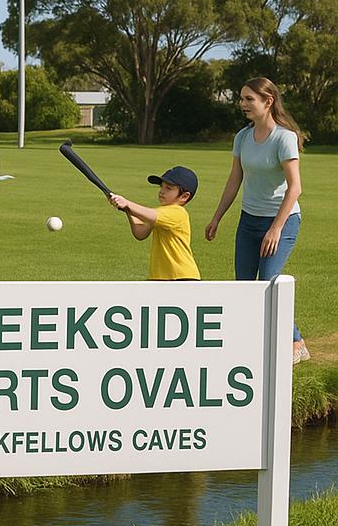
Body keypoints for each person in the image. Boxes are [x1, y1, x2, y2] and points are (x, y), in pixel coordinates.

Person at [204, 77, 308, 363]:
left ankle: (296, 341)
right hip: (248, 220)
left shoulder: (284, 138)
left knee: (270, 283)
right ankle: (252, 344)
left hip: (281, 221)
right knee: (245, 287)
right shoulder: (242, 137)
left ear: (268, 102)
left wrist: (275, 228)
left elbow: (295, 187)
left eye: (249, 99)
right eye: (241, 98)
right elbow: (235, 179)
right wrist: (217, 217)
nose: (242, 104)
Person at [108, 166, 200, 281]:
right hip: (161, 277)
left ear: (184, 196)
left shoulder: (177, 213)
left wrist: (127, 203)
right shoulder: (162, 213)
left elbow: (150, 215)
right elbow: (140, 233)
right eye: (161, 186)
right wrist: (127, 209)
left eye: (169, 188)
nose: (162, 191)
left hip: (181, 277)